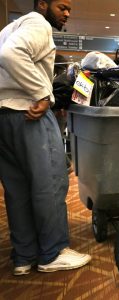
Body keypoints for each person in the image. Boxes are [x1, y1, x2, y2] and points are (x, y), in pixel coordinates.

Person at [0, 0, 91, 276]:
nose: (67, 13)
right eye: (62, 6)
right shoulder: (38, 24)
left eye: (70, 9)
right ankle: (52, 252)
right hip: (31, 114)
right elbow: (11, 55)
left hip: (5, 115)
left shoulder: (8, 28)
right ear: (42, 4)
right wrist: (41, 93)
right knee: (49, 183)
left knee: (17, 191)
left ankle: (24, 256)